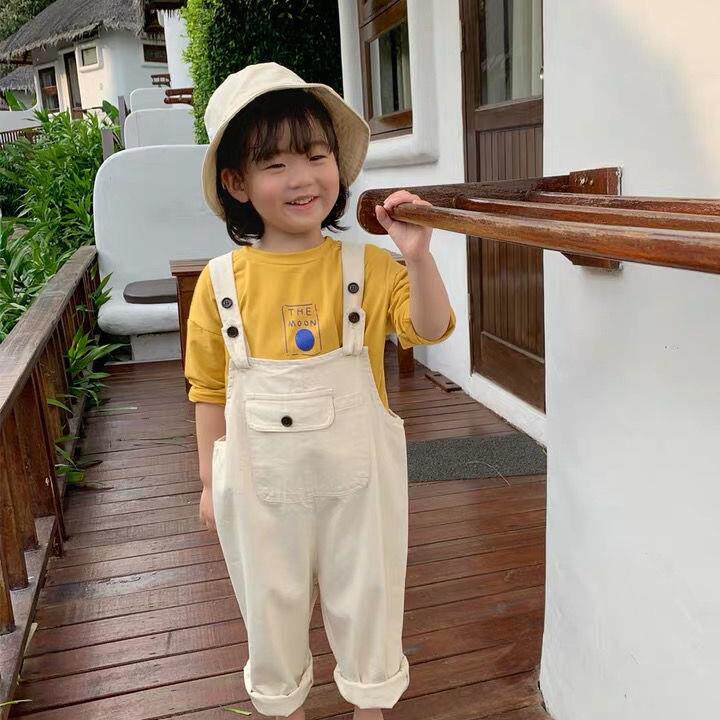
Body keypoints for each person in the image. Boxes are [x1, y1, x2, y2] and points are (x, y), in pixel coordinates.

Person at [184, 62, 456, 720]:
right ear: (236, 182)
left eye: (315, 156)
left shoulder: (370, 266)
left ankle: (371, 703)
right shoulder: (218, 284)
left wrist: (417, 255)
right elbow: (208, 390)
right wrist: (210, 480)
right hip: (257, 484)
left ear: (337, 164)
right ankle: (284, 705)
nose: (302, 178)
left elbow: (430, 327)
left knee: (368, 593)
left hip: (359, 484)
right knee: (269, 604)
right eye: (274, 164)